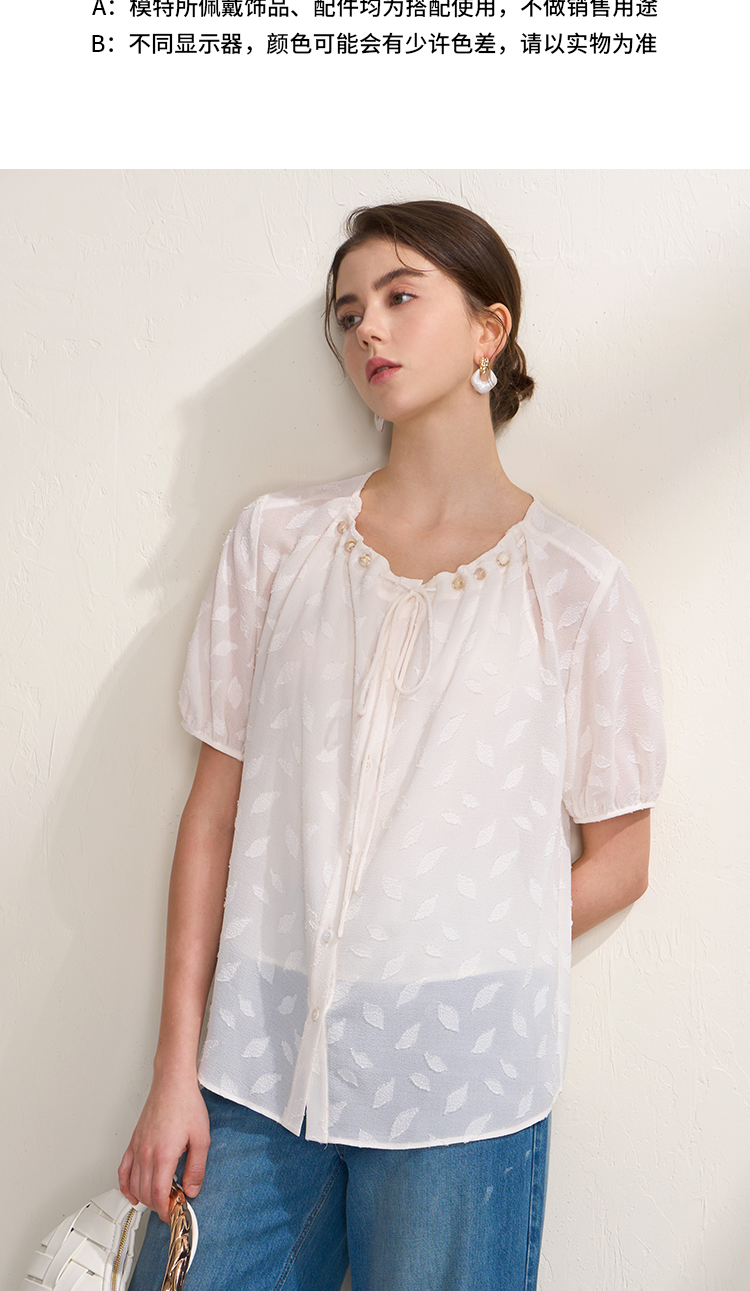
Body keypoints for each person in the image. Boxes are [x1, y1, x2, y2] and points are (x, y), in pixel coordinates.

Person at [121, 200, 666, 1291]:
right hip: (256, 1072)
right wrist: (175, 1069)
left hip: (463, 1085)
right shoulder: (278, 543)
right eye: (347, 311)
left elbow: (622, 857)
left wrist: (440, 951)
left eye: (401, 295)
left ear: (489, 329)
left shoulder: (575, 586)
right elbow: (213, 815)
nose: (367, 325)